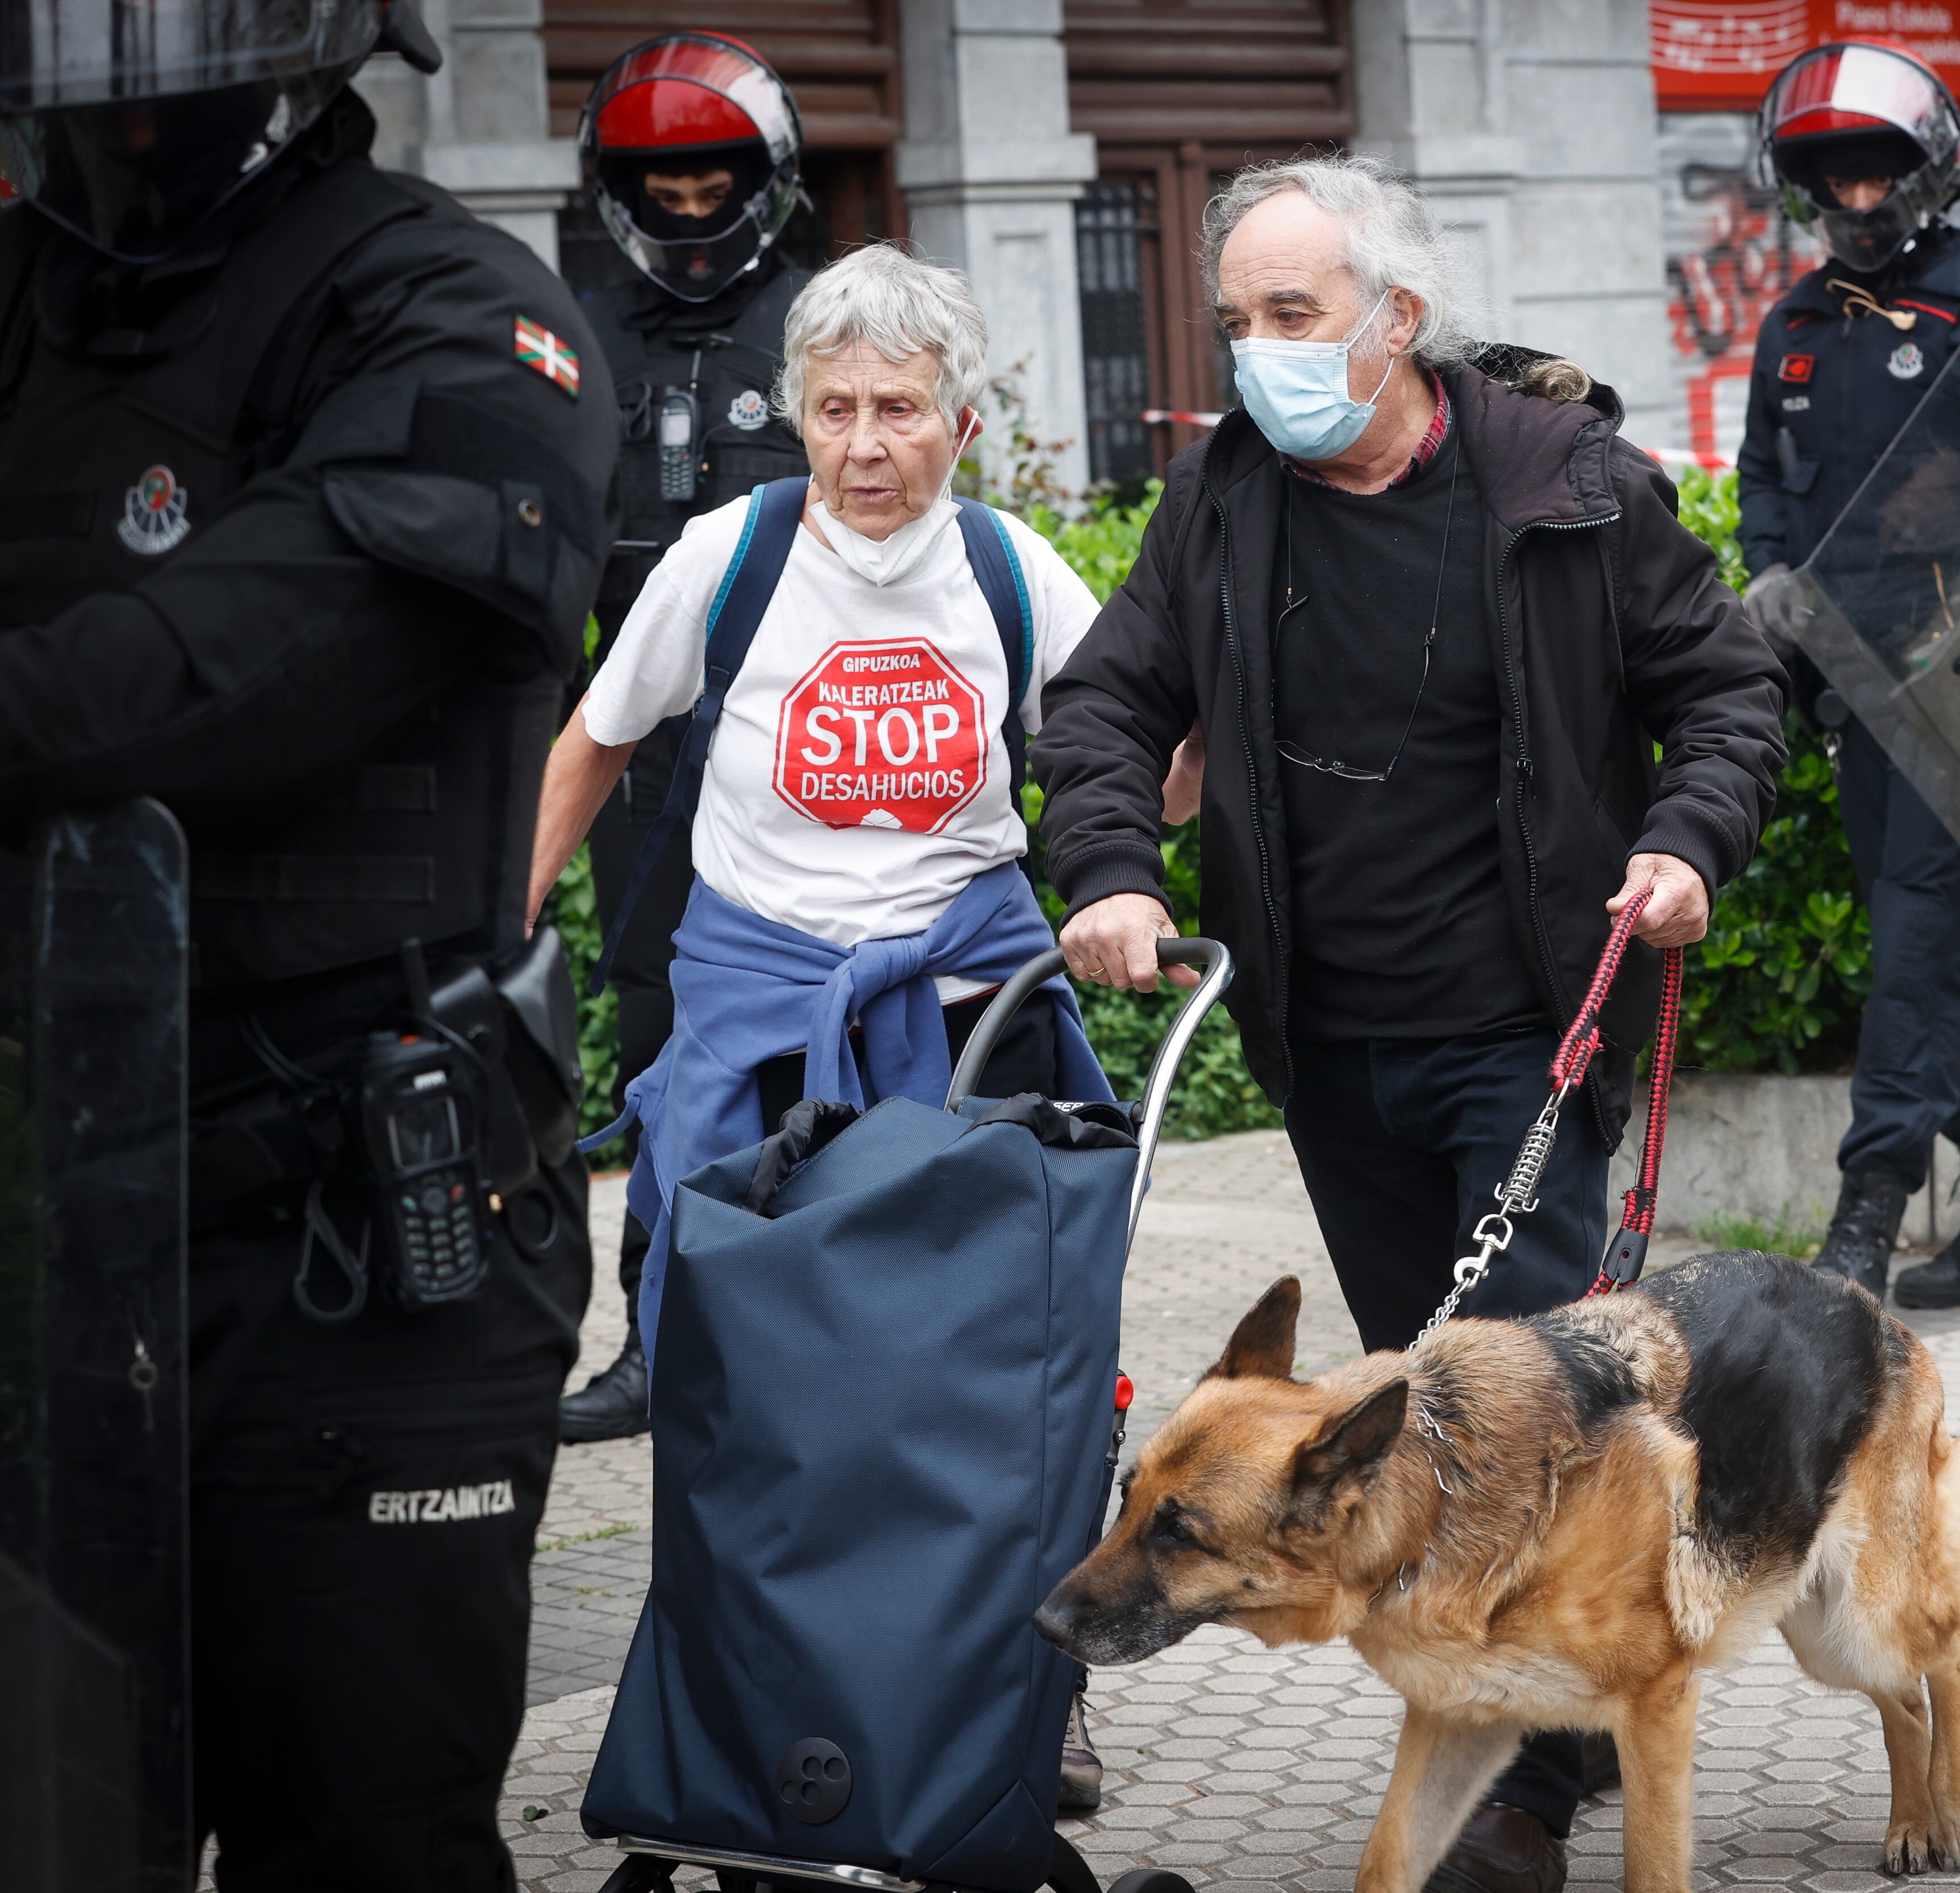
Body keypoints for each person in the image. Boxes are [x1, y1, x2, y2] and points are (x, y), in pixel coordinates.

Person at [1031, 155, 1787, 1893]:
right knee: (1420, 1398)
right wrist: (1107, 866)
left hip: (1531, 1022)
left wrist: (1686, 842)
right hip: (1324, 1036)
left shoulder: (1572, 490)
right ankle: (1498, 1700)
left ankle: (1537, 1780)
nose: (1260, 354)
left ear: (1398, 325)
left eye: (1293, 316)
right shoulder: (1221, 499)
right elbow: (1106, 704)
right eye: (1239, 322)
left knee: (1528, 1407)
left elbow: (1729, 683)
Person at [0, 1, 615, 1880]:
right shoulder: (27, 301)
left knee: (359, 1839)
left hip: (354, 1252)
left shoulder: (458, 317)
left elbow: (203, 694)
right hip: (53, 1240)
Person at [524, 240, 1123, 1806]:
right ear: (799, 412)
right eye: (838, 407)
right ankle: (732, 1690)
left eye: (901, 410)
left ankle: (1026, 1695)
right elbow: (595, 737)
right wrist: (502, 921)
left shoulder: (1011, 569)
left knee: (995, 1372)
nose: (867, 445)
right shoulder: (728, 553)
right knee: (741, 1376)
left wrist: (1152, 822)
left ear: (962, 423)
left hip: (970, 1005)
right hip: (757, 1002)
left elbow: (1131, 743)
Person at [1732, 40, 1960, 1311]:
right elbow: (1766, 484)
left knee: (1913, 956)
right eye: (1829, 176)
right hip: (1861, 697)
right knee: (1942, 954)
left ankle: (1864, 1222)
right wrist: (1767, 574)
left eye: (1877, 171)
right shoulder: (1794, 323)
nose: (1856, 198)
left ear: (1929, 172)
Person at [560, 30, 817, 1447]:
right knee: (661, 1059)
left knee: (821, 1052)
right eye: (662, 179)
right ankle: (656, 1342)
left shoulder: (827, 328)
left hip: (800, 757)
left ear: (764, 179)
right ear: (618, 189)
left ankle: (822, 1333)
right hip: (641, 767)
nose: (692, 201)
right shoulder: (572, 341)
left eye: (717, 174)